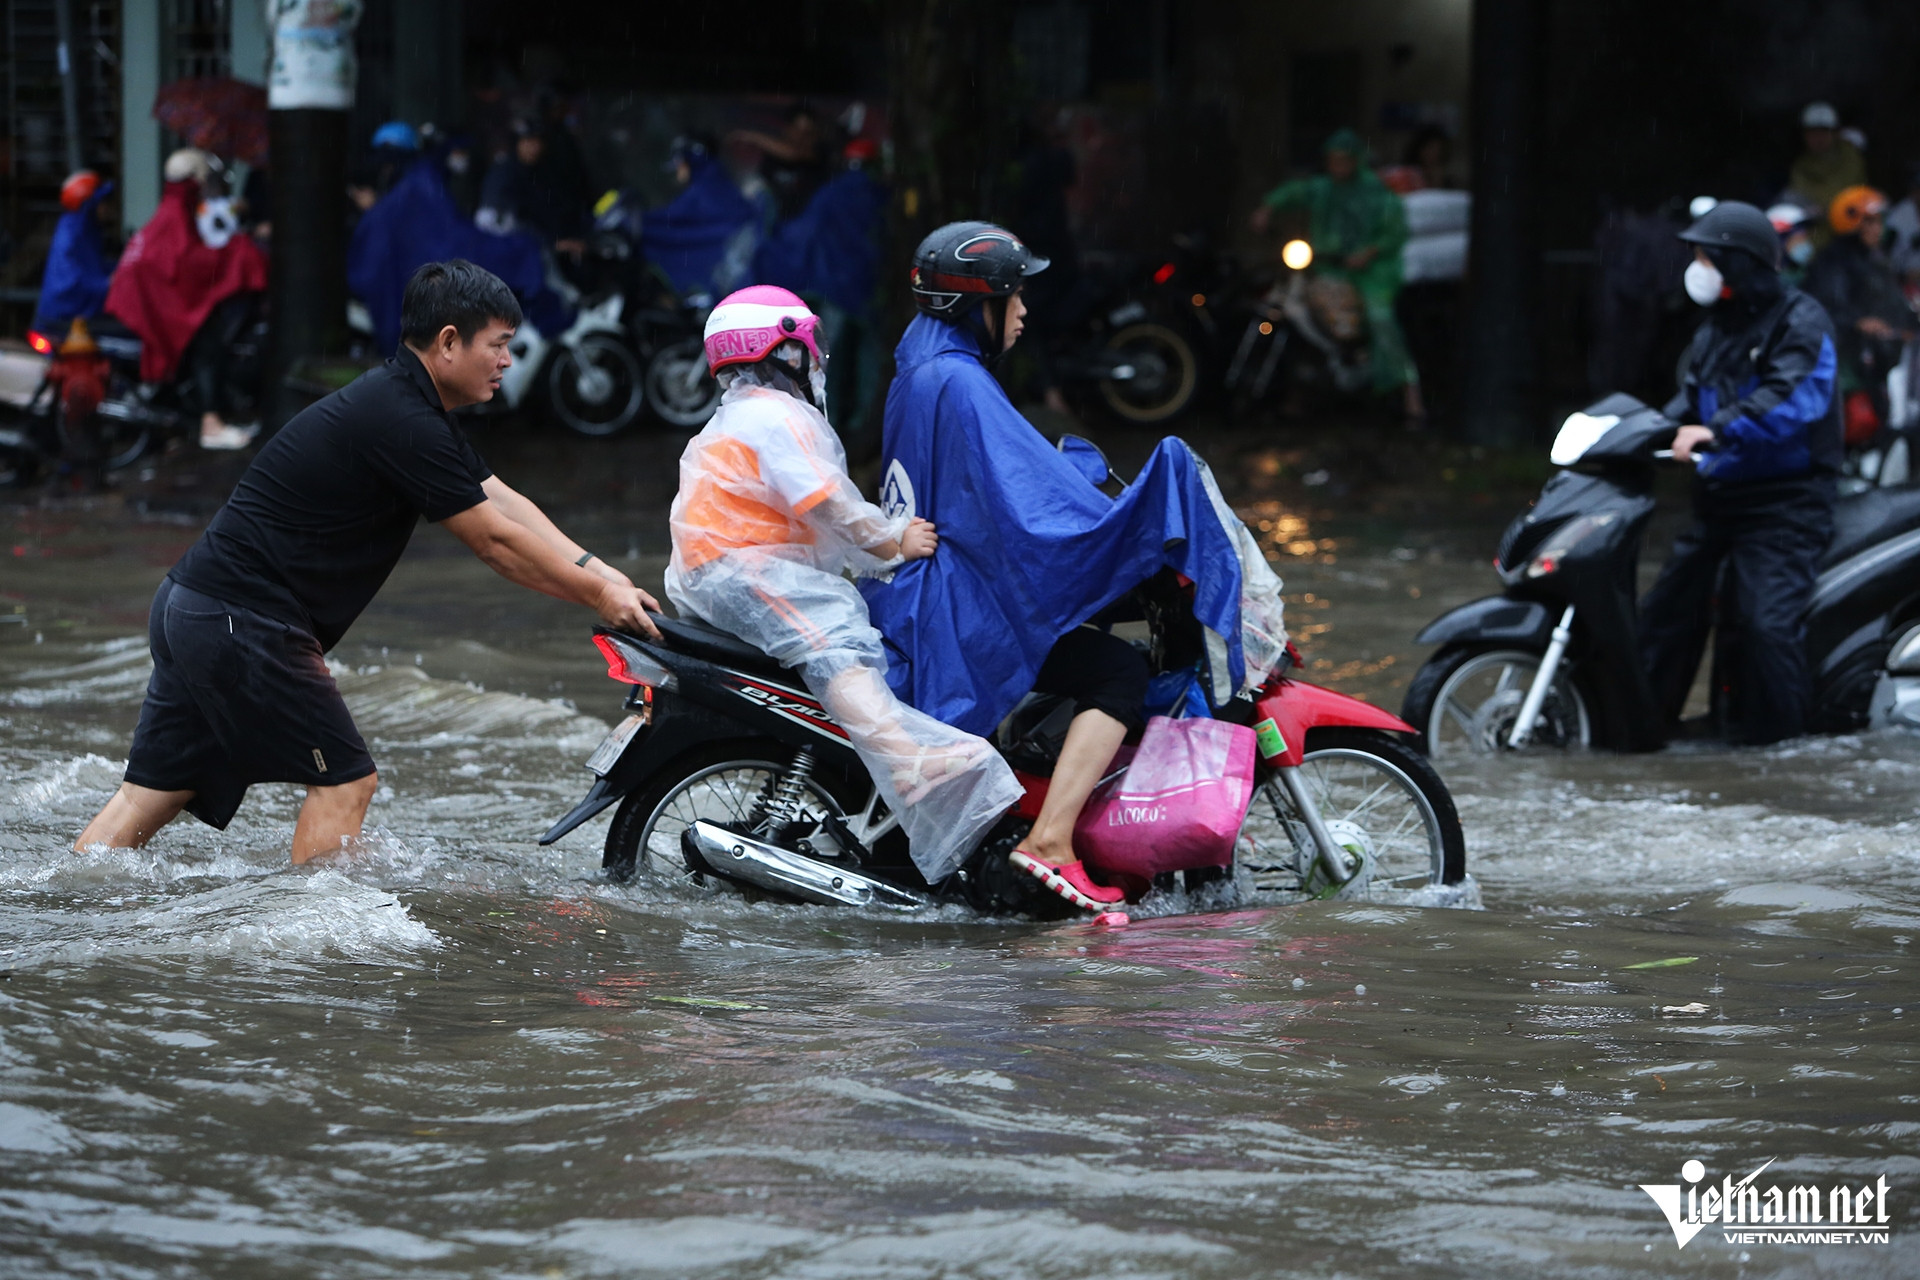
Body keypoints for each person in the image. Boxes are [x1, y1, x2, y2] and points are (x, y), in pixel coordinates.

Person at [74, 261, 660, 864]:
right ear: (449, 343)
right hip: (240, 620)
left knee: (152, 793)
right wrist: (596, 598)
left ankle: (70, 902)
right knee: (346, 781)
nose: (508, 360)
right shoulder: (403, 420)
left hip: (192, 606)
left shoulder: (406, 404)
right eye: (499, 345)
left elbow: (504, 500)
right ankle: (308, 944)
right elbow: (495, 542)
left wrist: (602, 573)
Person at [860, 223, 1289, 911]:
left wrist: (1067, 478)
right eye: (1015, 295)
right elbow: (1031, 514)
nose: (1026, 310)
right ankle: (1051, 840)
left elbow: (996, 485)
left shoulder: (922, 362)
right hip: (956, 610)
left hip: (921, 592)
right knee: (1116, 671)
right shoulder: (960, 383)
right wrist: (1138, 517)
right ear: (980, 306)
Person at [664, 285, 1021, 885]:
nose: (819, 360)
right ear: (785, 352)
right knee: (833, 640)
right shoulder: (774, 417)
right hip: (740, 569)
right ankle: (906, 763)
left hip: (725, 567)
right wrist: (893, 540)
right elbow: (829, 504)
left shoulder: (742, 414)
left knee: (841, 625)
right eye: (809, 347)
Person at [1637, 201, 1842, 745]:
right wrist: (1641, 429)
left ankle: (1782, 749)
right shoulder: (1718, 327)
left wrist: (1717, 428)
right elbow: (1692, 395)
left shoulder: (1802, 321)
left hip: (1787, 504)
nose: (1698, 266)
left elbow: (1793, 398)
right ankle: (1640, 733)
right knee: (1665, 611)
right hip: (1721, 495)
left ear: (1741, 262)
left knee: (1764, 626)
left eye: (1708, 256)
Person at [1251, 128, 1422, 425]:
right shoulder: (1323, 188)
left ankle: (1412, 400)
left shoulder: (1374, 192)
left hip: (1369, 274)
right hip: (1325, 267)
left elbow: (1393, 227)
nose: (1337, 167)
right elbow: (1296, 192)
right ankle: (1297, 396)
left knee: (1381, 319)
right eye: (1332, 161)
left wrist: (1369, 251)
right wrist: (1268, 207)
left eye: (1343, 161)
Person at [104, 148, 268, 450]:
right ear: (195, 181)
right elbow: (190, 263)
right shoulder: (176, 214)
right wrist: (236, 255)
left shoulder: (174, 211)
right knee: (207, 345)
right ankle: (211, 423)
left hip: (145, 302)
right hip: (151, 306)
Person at [1803, 186, 1914, 443]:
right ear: (1853, 224)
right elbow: (1827, 308)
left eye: (1878, 222)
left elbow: (1890, 302)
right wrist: (1860, 322)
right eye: (1871, 222)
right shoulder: (1833, 262)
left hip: (1887, 353)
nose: (1878, 229)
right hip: (1849, 359)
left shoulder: (1874, 258)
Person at [477, 118, 587, 259]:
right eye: (527, 142)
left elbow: (560, 208)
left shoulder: (544, 171)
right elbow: (501, 222)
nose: (534, 147)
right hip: (515, 256)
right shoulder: (503, 174)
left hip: (549, 251)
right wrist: (551, 243)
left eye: (537, 142)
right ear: (517, 143)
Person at [32, 170, 115, 336]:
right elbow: (77, 280)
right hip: (64, 321)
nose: (108, 207)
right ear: (89, 204)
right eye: (103, 201)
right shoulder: (75, 232)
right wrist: (111, 283)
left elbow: (96, 267)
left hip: (71, 317)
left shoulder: (85, 229)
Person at [1787, 103, 1867, 248]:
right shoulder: (1801, 167)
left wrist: (1825, 208)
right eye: (1812, 132)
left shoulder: (1849, 156)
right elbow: (1799, 199)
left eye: (1824, 131)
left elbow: (1850, 196)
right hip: (1816, 234)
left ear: (1835, 133)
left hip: (1850, 231)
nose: (1818, 138)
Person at [1765, 201, 1819, 287]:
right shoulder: (1763, 283)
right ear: (1781, 239)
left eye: (1805, 237)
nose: (1805, 243)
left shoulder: (1809, 276)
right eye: (1800, 238)